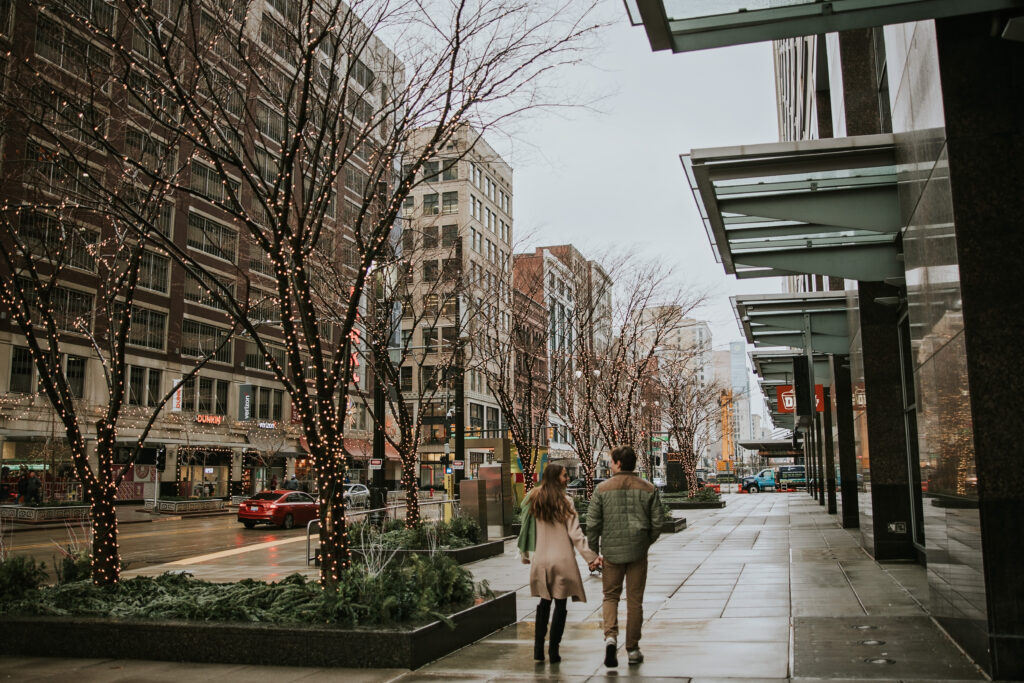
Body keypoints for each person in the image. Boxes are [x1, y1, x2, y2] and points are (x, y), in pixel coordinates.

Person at [586, 445, 664, 668]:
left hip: (611, 553)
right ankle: (632, 649)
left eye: (612, 461)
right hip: (638, 553)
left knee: (610, 596)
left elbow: (592, 524)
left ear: (619, 463)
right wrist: (646, 541)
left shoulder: (602, 489)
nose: (610, 465)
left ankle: (610, 637)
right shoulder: (648, 488)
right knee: (634, 601)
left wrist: (594, 554)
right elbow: (658, 522)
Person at [518, 463, 598, 664]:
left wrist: (524, 554)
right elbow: (575, 534)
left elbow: (526, 528)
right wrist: (591, 558)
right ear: (555, 478)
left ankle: (538, 649)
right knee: (560, 606)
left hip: (541, 559)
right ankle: (554, 651)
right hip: (562, 560)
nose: (567, 479)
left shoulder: (535, 499)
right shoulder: (566, 502)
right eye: (564, 476)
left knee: (544, 603)